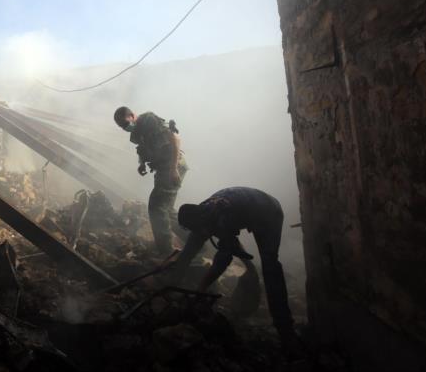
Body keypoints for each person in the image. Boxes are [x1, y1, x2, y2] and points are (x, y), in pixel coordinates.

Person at [174, 187, 297, 346]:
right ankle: (251, 270)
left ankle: (285, 328)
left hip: (268, 211)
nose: (200, 232)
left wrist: (201, 288)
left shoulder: (221, 215)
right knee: (207, 238)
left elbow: (223, 260)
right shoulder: (202, 212)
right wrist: (174, 278)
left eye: (201, 229)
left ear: (202, 223)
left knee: (270, 265)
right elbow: (190, 249)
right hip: (244, 206)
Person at [113, 106, 187, 254]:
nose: (125, 128)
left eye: (126, 124)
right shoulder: (137, 133)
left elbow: (175, 139)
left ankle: (166, 251)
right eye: (122, 127)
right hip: (163, 168)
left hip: (172, 166)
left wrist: (173, 169)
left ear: (132, 115)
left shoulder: (149, 121)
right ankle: (196, 240)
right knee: (167, 210)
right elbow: (142, 148)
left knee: (156, 207)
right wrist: (141, 163)